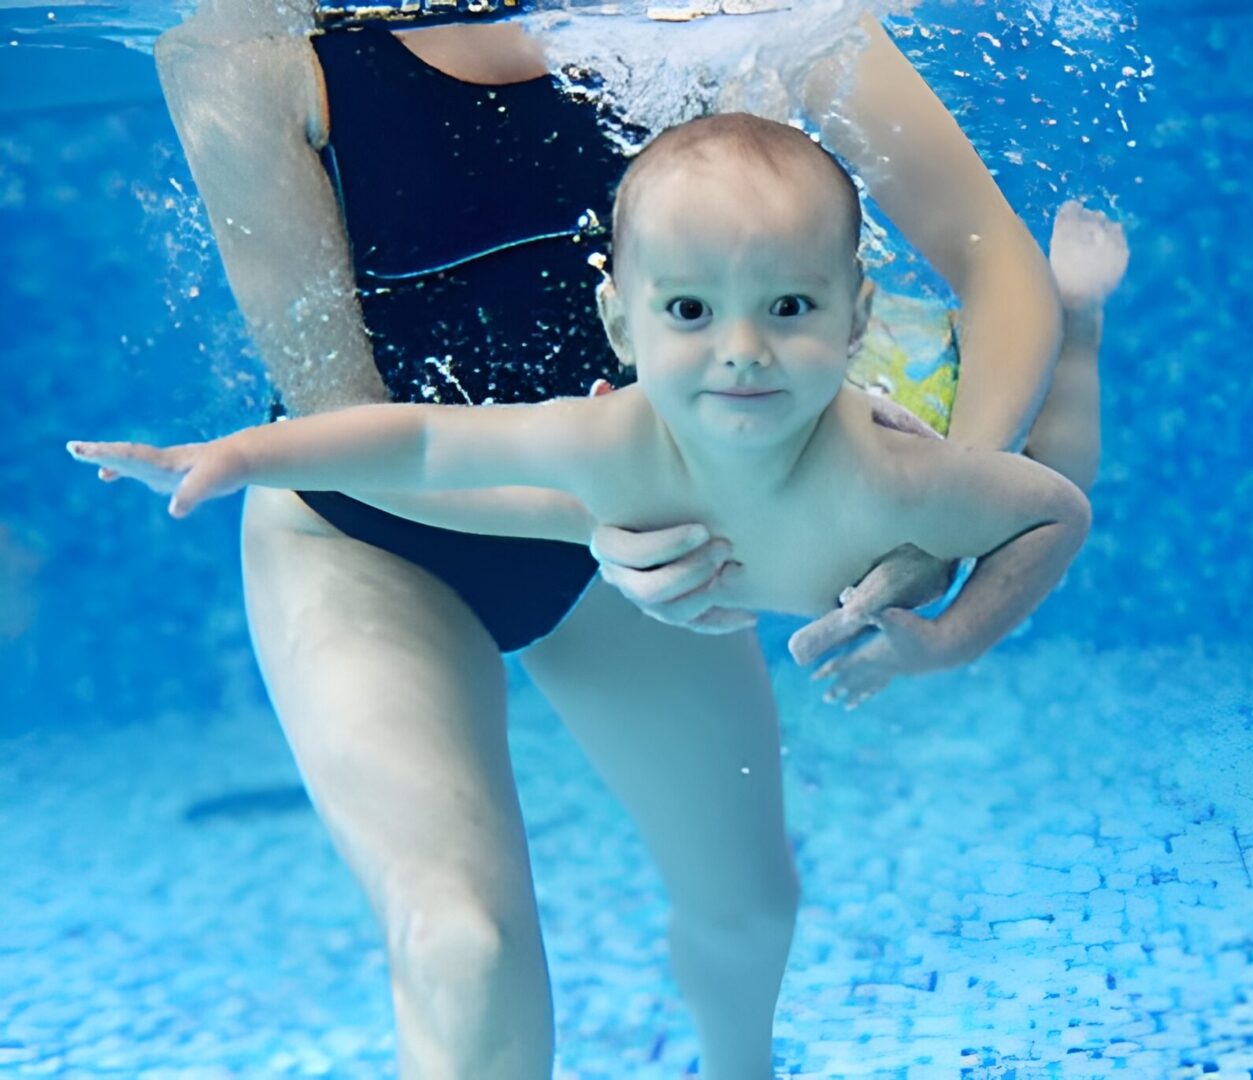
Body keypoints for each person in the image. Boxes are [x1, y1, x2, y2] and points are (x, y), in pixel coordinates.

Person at [137, 1, 1119, 1076]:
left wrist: (930, 507)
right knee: (459, 941)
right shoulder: (245, 47)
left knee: (748, 909)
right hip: (373, 535)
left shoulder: (743, 13)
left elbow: (997, 269)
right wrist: (599, 520)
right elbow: (349, 426)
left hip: (653, 520)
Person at [71, 111, 1123, 683]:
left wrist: (947, 639)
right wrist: (245, 455)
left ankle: (1082, 319)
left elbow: (1055, 513)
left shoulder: (898, 473)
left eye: (789, 309)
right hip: (823, 379)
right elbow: (428, 447)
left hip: (904, 390)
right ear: (621, 326)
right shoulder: (610, 433)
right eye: (690, 315)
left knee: (1051, 460)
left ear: (848, 320)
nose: (740, 356)